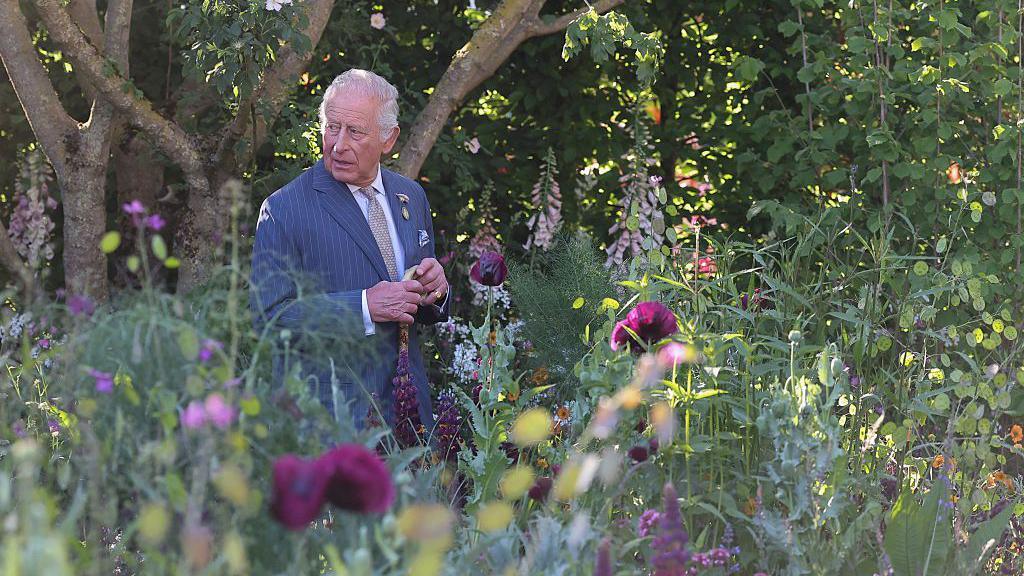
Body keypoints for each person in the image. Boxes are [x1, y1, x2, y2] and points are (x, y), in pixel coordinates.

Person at [250, 69, 449, 430]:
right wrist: (364, 307)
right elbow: (269, 319)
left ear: (389, 139)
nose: (338, 144)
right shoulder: (284, 209)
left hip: (410, 417)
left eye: (355, 131)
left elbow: (416, 300)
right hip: (331, 422)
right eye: (331, 127)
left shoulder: (411, 196)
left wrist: (437, 290)